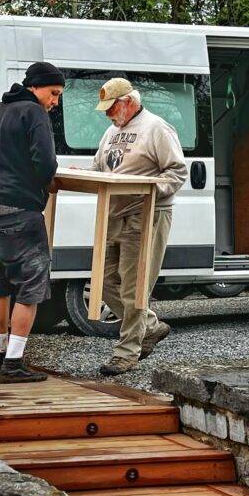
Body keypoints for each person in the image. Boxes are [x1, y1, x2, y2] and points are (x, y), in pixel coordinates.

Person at [0, 62, 65, 383]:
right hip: (20, 211)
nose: (55, 102)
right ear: (36, 87)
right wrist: (44, 182)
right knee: (30, 287)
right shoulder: (33, 113)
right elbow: (45, 162)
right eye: (54, 93)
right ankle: (13, 365)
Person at [92, 78, 188, 375]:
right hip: (114, 214)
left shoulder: (156, 128)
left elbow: (177, 172)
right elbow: (99, 168)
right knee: (104, 280)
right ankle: (150, 326)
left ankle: (126, 354)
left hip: (146, 215)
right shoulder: (111, 132)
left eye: (112, 108)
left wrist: (148, 191)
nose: (108, 114)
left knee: (135, 287)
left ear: (129, 102)